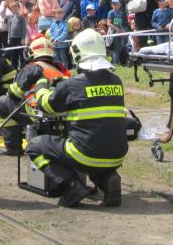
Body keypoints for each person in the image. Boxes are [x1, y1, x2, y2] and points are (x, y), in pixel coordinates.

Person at [26, 29, 128, 208]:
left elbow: (47, 106)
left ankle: (72, 185)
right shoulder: (116, 81)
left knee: (35, 146)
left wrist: (42, 86)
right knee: (93, 149)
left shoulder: (72, 84)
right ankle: (108, 179)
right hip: (117, 155)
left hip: (86, 153)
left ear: (76, 53)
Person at [0, 36, 69, 156]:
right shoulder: (61, 69)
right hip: (62, 116)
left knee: (2, 102)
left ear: (31, 52)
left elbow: (14, 94)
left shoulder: (32, 67)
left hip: (38, 114)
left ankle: (13, 148)